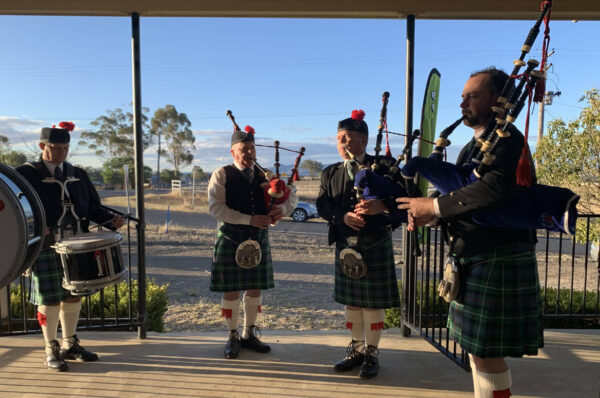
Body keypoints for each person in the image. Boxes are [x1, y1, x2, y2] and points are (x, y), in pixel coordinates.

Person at [396, 68, 543, 397]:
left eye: (472, 96)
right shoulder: (470, 149)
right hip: (474, 256)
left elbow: (490, 191)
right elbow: (461, 198)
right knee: (479, 353)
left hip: (498, 256)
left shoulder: (509, 142)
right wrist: (428, 216)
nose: (462, 103)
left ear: (496, 100)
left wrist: (433, 208)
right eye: (462, 97)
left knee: (488, 354)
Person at [16, 123, 124, 372]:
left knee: (73, 294)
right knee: (50, 299)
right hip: (46, 245)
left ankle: (70, 343)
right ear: (43, 146)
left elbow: (92, 207)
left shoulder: (78, 173)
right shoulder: (26, 173)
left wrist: (109, 219)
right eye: (57, 148)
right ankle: (50, 347)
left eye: (66, 148)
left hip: (77, 245)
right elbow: (16, 209)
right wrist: (35, 228)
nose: (63, 153)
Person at [316, 110, 404, 379]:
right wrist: (341, 216)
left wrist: (383, 206)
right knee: (353, 304)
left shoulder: (387, 167)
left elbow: (406, 200)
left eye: (348, 137)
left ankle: (372, 353)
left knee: (372, 304)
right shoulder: (330, 172)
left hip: (375, 241)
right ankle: (355, 351)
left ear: (364, 141)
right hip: (346, 246)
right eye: (339, 138)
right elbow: (322, 204)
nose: (342, 142)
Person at [208, 125, 297, 359]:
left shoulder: (266, 175)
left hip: (257, 239)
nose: (249, 153)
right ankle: (232, 335)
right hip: (230, 237)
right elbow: (216, 208)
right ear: (232, 152)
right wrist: (249, 218)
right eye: (244, 149)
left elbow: (291, 197)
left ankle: (249, 333)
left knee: (255, 287)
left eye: (252, 148)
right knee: (231, 290)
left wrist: (282, 210)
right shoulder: (222, 174)